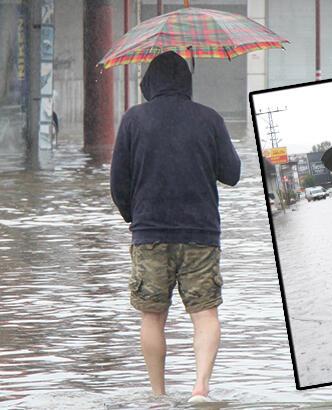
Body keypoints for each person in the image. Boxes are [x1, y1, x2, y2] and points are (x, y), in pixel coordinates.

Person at [110, 51, 241, 402]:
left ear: (149, 81)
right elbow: (233, 174)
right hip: (200, 235)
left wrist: (134, 218)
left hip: (149, 234)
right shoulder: (210, 119)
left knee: (152, 317)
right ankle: (200, 389)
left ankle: (158, 396)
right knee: (205, 313)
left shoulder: (133, 120)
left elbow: (118, 183)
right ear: (187, 80)